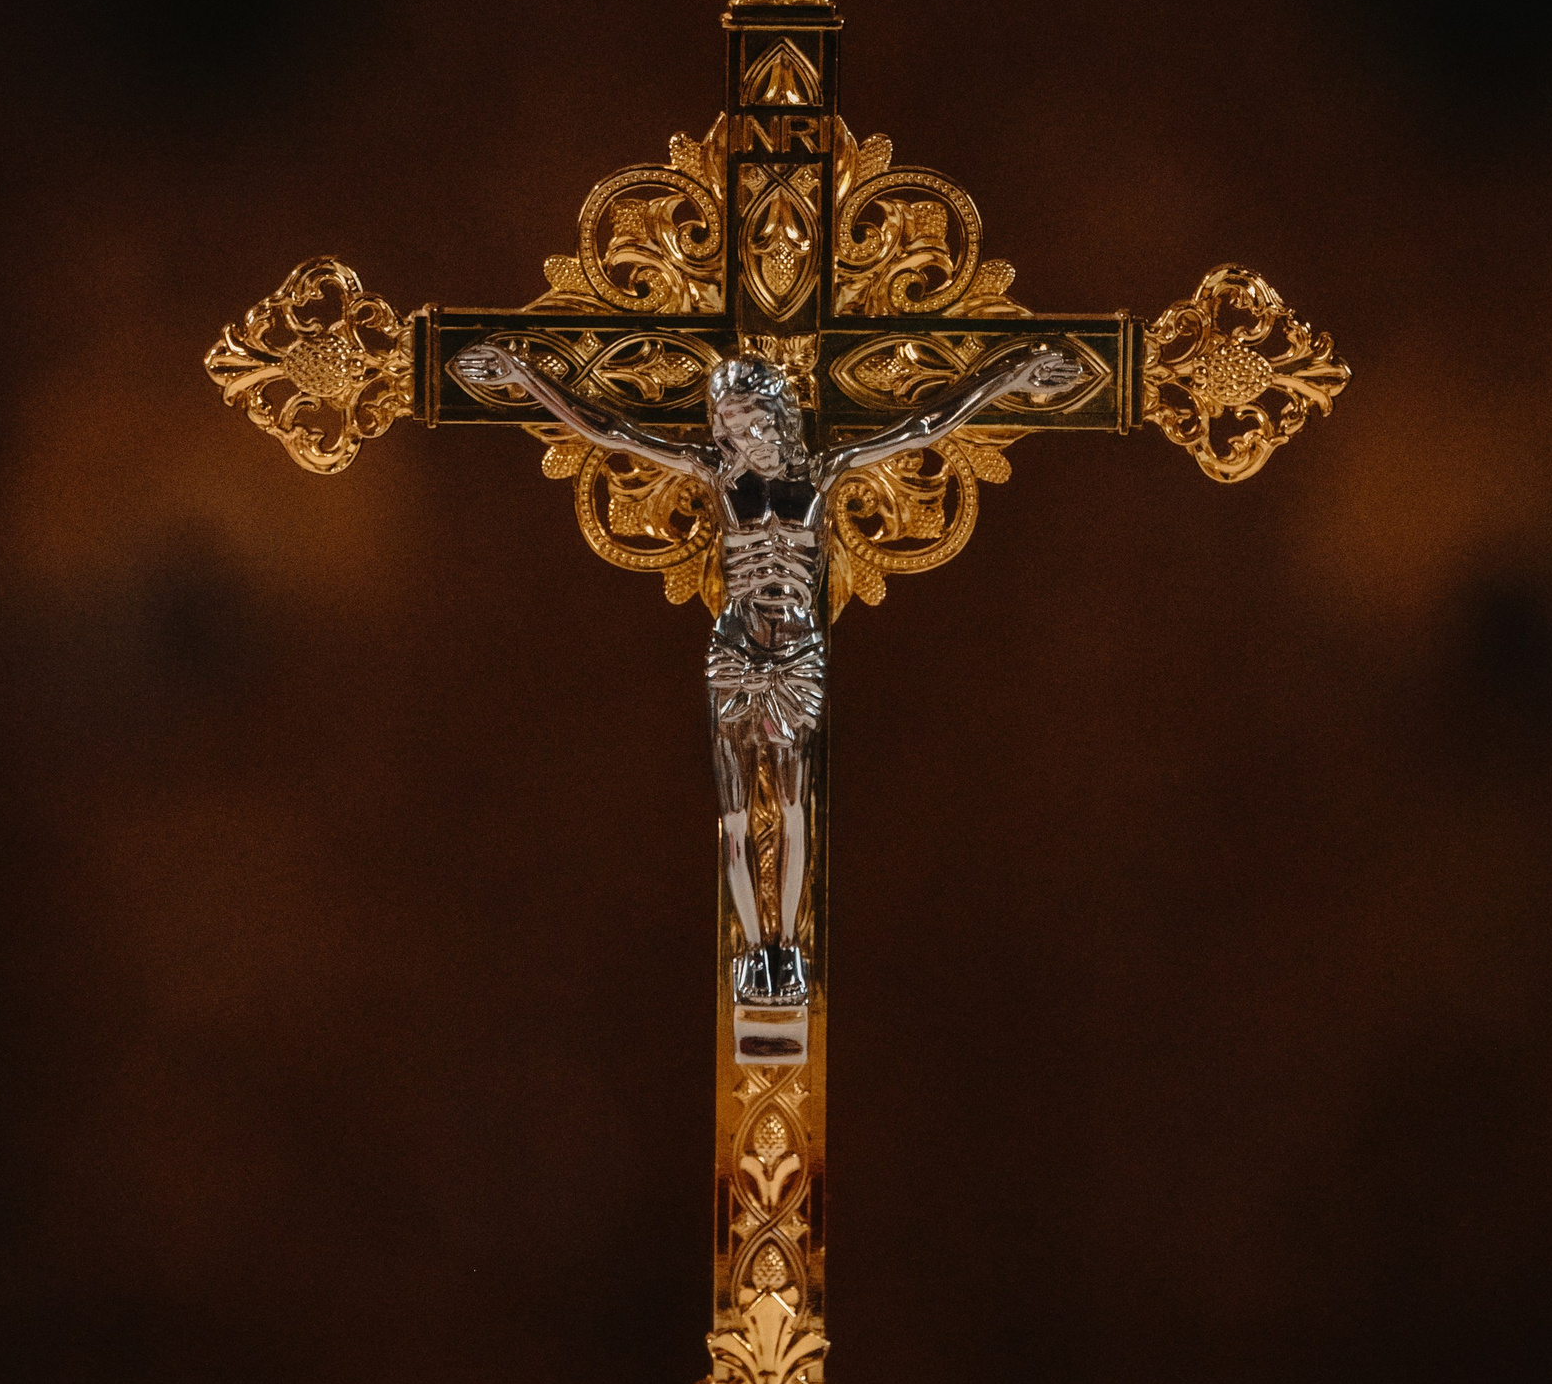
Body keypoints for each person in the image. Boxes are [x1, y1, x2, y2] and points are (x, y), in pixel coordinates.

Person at [450, 333, 1082, 1001]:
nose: (741, 436)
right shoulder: (715, 474)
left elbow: (926, 425)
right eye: (727, 425)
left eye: (750, 419)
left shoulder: (824, 473)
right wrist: (522, 375)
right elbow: (612, 431)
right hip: (735, 650)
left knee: (791, 806)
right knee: (733, 812)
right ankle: (752, 950)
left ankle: (789, 949)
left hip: (797, 653)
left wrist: (1014, 376)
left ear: (780, 415)